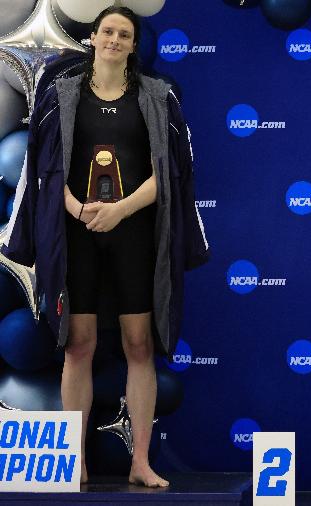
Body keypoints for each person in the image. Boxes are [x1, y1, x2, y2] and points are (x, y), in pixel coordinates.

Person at [3, 6, 209, 487]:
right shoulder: (61, 94)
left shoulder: (158, 97)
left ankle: (139, 461)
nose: (115, 39)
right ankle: (74, 460)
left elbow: (172, 174)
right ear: (92, 38)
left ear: (134, 45)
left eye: (125, 33)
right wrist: (76, 209)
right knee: (79, 346)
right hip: (77, 237)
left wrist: (120, 210)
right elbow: (44, 169)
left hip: (135, 235)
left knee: (140, 346)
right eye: (108, 32)